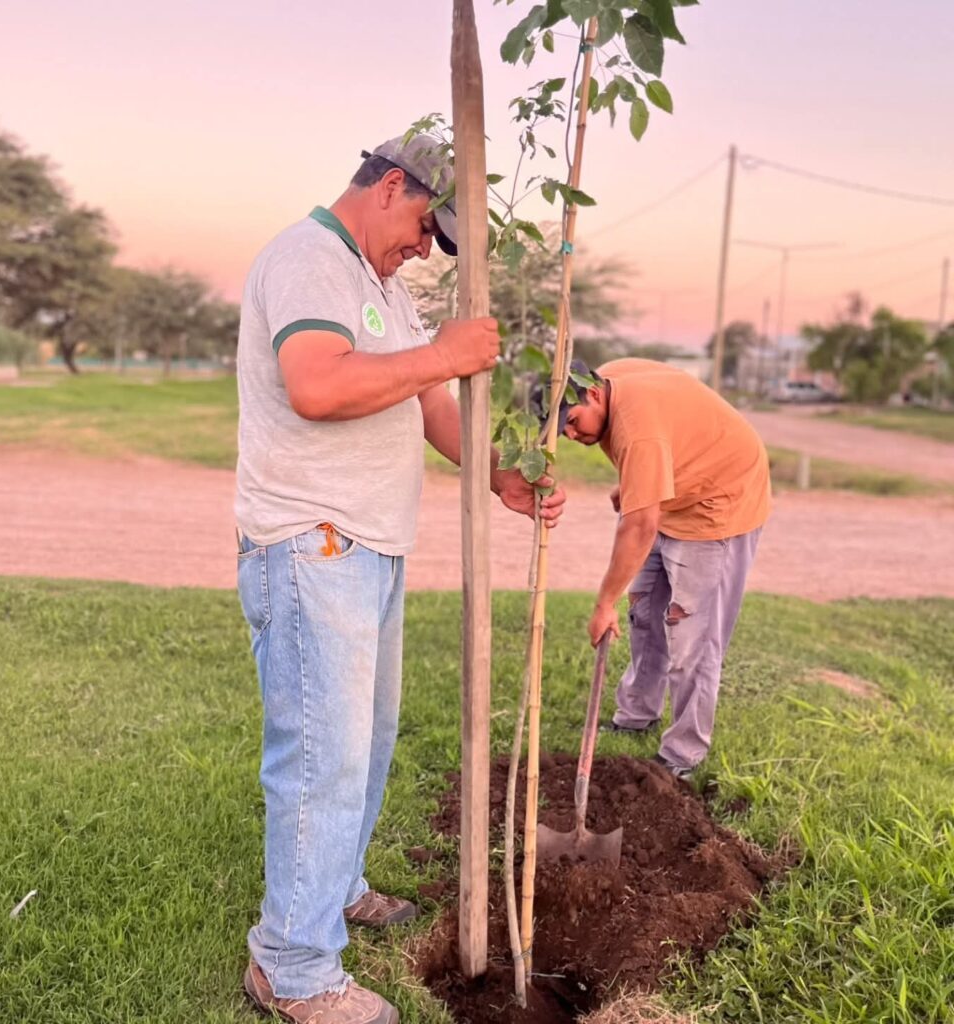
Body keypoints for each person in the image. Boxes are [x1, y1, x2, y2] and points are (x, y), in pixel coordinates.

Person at [234, 133, 566, 1024]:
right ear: (390, 186)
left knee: (364, 748)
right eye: (427, 227)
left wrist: (497, 471)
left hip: (368, 548)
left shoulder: (380, 287)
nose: (426, 249)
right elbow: (316, 384)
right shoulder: (309, 260)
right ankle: (294, 969)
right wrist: (447, 353)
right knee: (321, 760)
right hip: (313, 543)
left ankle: (333, 887)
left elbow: (427, 404)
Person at [557, 357, 770, 781]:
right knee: (645, 613)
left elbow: (638, 524)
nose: (570, 433)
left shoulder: (640, 434)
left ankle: (682, 755)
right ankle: (638, 712)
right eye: (562, 427)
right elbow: (678, 399)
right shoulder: (608, 376)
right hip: (676, 494)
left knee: (694, 639)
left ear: (595, 394)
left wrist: (603, 603)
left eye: (574, 421)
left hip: (717, 503)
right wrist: (642, 480)